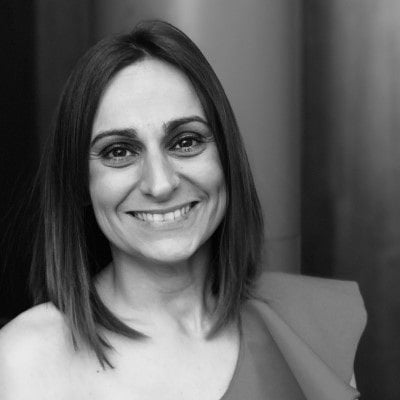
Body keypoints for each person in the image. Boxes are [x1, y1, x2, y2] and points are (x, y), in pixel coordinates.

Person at [0, 20, 366, 399]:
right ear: (80, 182)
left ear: (225, 158)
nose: (160, 184)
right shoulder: (25, 360)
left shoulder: (313, 328)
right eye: (119, 151)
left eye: (186, 142)